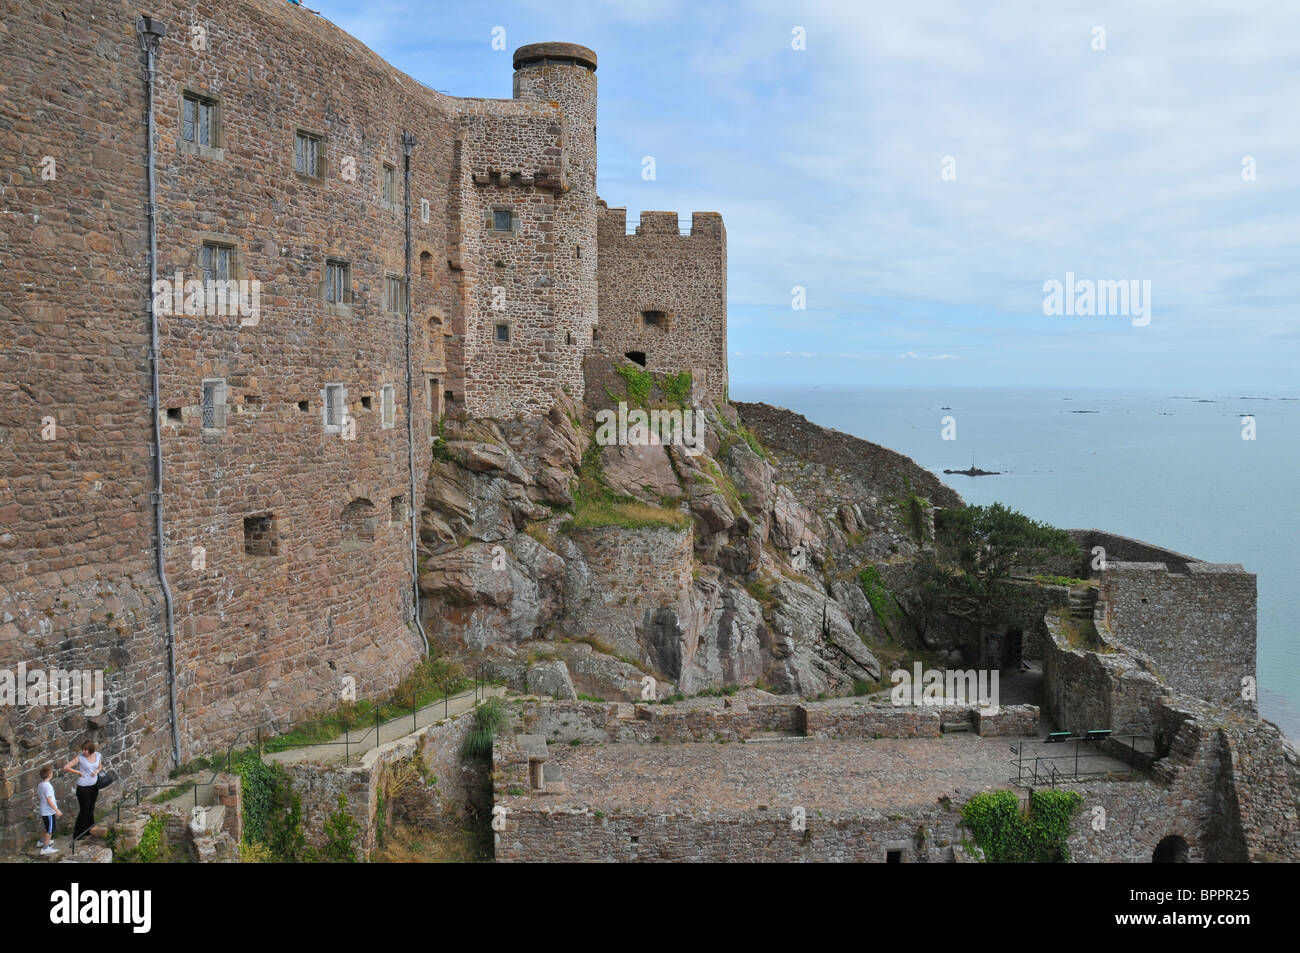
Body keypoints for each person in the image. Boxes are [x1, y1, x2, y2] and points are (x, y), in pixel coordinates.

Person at [63, 741, 102, 841]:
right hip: (83, 787)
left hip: (94, 786)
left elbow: (100, 767)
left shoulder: (97, 755)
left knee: (91, 808)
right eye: (83, 749)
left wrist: (97, 771)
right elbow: (66, 767)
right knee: (84, 810)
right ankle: (78, 834)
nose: (84, 751)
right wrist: (78, 772)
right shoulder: (80, 758)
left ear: (90, 749)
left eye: (86, 750)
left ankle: (90, 829)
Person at [36, 765, 62, 855]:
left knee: (46, 827)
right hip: (49, 811)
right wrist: (57, 810)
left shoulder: (40, 784)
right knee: (50, 830)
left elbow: (39, 797)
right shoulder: (48, 786)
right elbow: (49, 800)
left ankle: (42, 841)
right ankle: (45, 848)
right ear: (50, 775)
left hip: (44, 810)